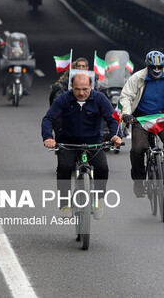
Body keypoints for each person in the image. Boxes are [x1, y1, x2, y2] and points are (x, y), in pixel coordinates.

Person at [42, 73, 122, 219]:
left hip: (94, 142)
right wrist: (48, 137)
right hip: (68, 142)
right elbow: (48, 119)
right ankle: (65, 205)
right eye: (77, 89)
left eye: (85, 89)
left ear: (91, 87)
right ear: (71, 86)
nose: (81, 93)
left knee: (102, 168)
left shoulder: (100, 99)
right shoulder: (64, 99)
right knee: (64, 169)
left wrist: (116, 135)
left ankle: (97, 199)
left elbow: (113, 119)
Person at [119, 50, 164, 195]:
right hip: (141, 119)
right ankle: (138, 181)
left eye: (159, 67)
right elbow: (126, 97)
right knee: (137, 149)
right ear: (147, 66)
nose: (156, 70)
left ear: (163, 66)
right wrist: (126, 113)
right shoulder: (137, 78)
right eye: (153, 68)